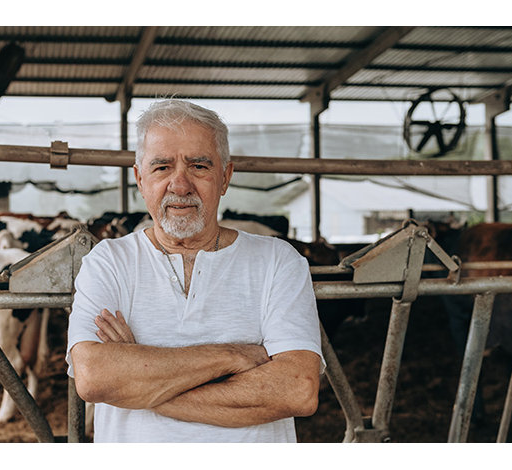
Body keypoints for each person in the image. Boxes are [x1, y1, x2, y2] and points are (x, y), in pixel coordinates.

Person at [66, 99, 325, 443]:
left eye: (199, 166)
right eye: (161, 167)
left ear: (225, 176)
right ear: (140, 178)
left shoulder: (278, 261)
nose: (180, 185)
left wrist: (141, 385)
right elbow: (95, 377)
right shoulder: (109, 261)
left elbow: (297, 389)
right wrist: (234, 355)